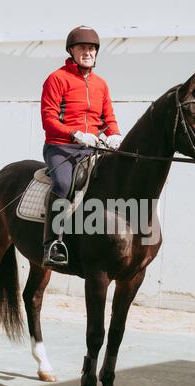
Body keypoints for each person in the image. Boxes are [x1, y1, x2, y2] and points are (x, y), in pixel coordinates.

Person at [41, 25, 122, 266]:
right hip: (61, 147)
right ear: (72, 51)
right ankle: (52, 243)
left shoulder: (101, 84)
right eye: (82, 48)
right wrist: (75, 134)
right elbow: (49, 120)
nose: (87, 52)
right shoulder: (57, 79)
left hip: (93, 147)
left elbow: (109, 120)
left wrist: (115, 134)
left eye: (91, 48)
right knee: (64, 183)